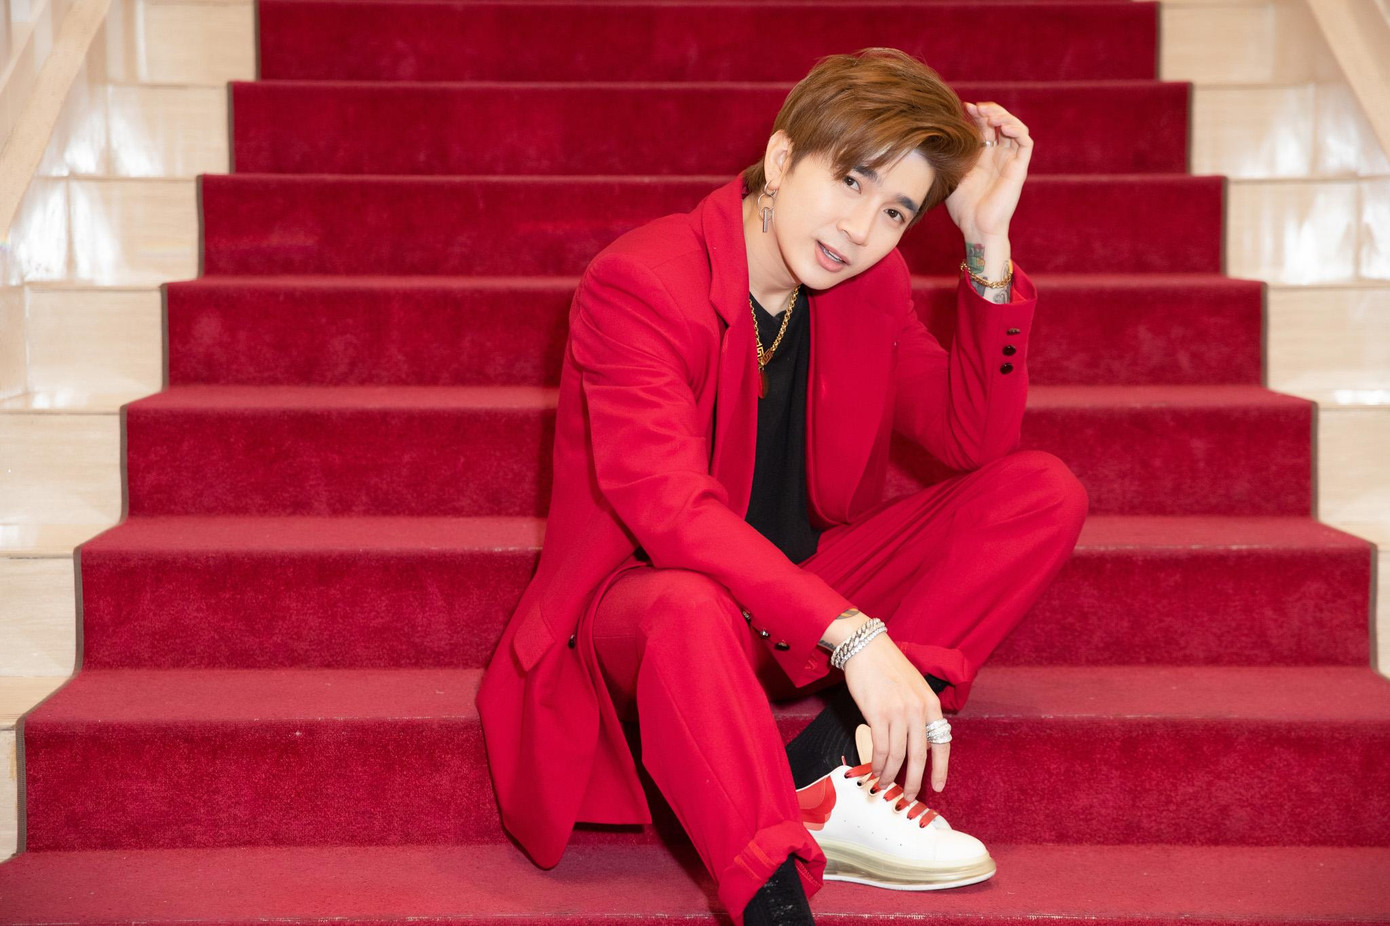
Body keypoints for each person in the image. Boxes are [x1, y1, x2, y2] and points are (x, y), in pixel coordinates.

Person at [475, 47, 1088, 926]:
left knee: (1039, 492)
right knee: (687, 602)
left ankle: (829, 764)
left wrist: (987, 243)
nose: (859, 230)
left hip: (792, 603)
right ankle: (774, 900)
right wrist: (857, 638)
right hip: (647, 611)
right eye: (849, 180)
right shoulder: (643, 282)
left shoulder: (870, 285)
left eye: (894, 211)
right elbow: (671, 512)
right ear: (781, 156)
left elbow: (972, 440)